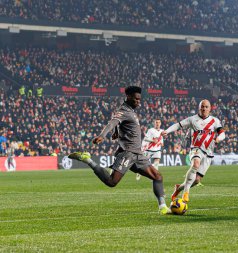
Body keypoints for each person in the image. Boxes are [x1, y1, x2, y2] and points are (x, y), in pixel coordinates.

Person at [68, 86, 170, 215]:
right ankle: (87, 159)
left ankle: (163, 208)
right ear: (128, 97)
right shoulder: (124, 110)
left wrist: (117, 132)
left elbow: (118, 123)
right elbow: (113, 122)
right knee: (112, 182)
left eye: (140, 99)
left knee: (158, 176)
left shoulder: (130, 110)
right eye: (136, 99)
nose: (139, 101)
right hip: (127, 153)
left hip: (138, 154)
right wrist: (102, 135)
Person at [161, 99, 225, 203]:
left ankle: (179, 188)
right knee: (195, 164)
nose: (204, 108)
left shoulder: (215, 121)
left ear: (210, 109)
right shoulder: (192, 119)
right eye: (202, 106)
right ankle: (186, 193)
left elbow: (222, 133)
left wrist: (219, 138)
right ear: (199, 108)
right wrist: (167, 131)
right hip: (196, 148)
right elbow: (178, 125)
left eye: (206, 107)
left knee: (196, 180)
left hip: (208, 153)